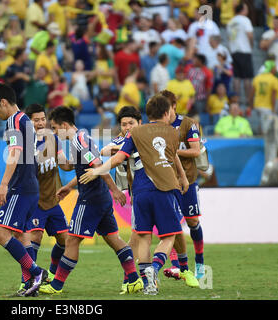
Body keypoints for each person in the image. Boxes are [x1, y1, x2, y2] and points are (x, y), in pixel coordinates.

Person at [79, 94, 190, 295]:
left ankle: (146, 284)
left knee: (143, 237)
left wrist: (97, 170)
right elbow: (172, 157)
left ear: (145, 116)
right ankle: (154, 270)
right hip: (164, 187)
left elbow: (119, 156)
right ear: (166, 113)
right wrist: (183, 177)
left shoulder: (134, 134)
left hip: (139, 191)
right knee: (168, 237)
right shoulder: (173, 133)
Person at [39, 106, 142, 295]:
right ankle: (134, 280)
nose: (53, 132)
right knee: (114, 239)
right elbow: (74, 166)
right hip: (99, 197)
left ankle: (56, 286)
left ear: (63, 125)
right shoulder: (80, 138)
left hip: (91, 198)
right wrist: (69, 185)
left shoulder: (79, 141)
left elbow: (97, 165)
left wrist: (115, 190)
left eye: (54, 128)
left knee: (71, 241)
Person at [0, 83, 48, 297]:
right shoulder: (25, 120)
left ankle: (36, 272)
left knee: (0, 233)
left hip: (20, 186)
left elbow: (15, 152)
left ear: (4, 102)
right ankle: (29, 285)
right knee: (22, 235)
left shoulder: (14, 120)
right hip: (31, 185)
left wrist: (3, 184)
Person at [22, 103, 73, 294]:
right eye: (37, 120)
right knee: (35, 237)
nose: (41, 123)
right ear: (28, 122)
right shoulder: (25, 144)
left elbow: (64, 164)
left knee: (64, 240)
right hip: (34, 201)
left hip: (52, 201)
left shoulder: (52, 139)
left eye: (43, 119)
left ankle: (50, 274)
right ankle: (26, 282)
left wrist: (81, 161)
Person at [161, 89, 205, 281]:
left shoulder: (188, 124)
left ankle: (200, 262)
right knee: (171, 222)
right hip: (166, 182)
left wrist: (173, 152)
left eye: (167, 109)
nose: (164, 113)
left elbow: (195, 151)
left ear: (174, 107)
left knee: (192, 222)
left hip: (187, 181)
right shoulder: (156, 126)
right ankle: (177, 265)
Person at [227, 3, 254, 102]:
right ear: (242, 9)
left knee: (236, 77)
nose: (247, 10)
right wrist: (251, 45)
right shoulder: (245, 20)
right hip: (245, 51)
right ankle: (248, 100)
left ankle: (236, 100)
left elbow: (229, 37)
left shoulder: (231, 22)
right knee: (247, 77)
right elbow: (250, 35)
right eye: (246, 8)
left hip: (234, 52)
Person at [250, 61, 278, 135]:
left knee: (262, 123)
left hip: (257, 104)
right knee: (266, 126)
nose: (275, 70)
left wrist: (251, 105)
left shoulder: (257, 78)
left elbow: (251, 93)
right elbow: (273, 95)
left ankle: (260, 137)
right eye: (274, 68)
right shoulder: (273, 79)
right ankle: (262, 140)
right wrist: (273, 108)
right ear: (271, 68)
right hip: (267, 106)